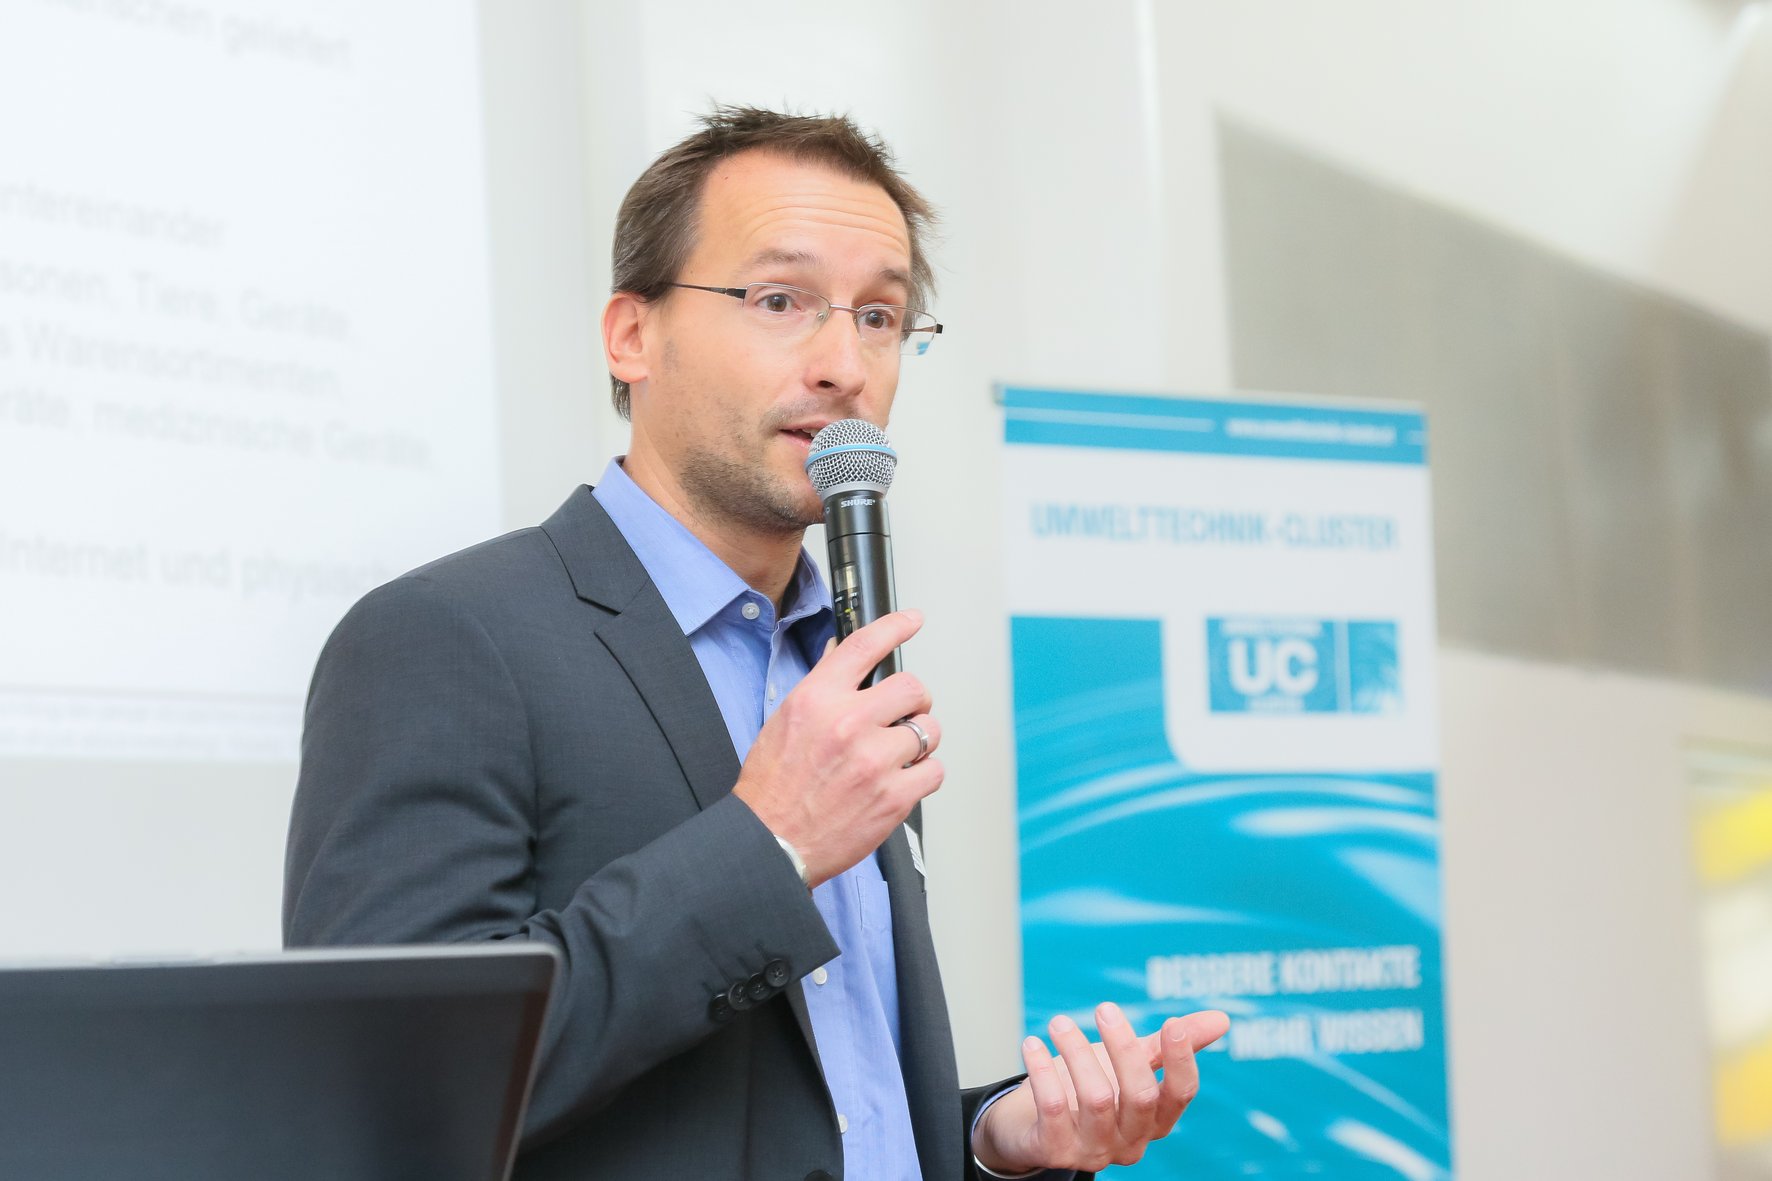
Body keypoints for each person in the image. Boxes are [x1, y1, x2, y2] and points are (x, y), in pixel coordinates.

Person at [284, 105, 1228, 1180]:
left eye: (881, 316)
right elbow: (392, 1082)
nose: (844, 364)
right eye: (780, 300)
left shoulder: (847, 666)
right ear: (631, 335)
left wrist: (992, 1144)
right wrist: (769, 843)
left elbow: (818, 1108)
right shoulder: (445, 638)